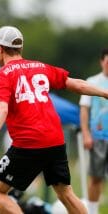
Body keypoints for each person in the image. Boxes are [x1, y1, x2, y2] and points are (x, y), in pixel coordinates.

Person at [0, 25, 108, 214]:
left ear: (0, 49)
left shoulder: (2, 76)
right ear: (20, 48)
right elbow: (75, 84)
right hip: (55, 139)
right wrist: (104, 92)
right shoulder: (40, 67)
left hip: (29, 143)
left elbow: (1, 108)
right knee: (66, 194)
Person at [79, 48, 108, 214]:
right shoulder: (92, 81)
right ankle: (92, 210)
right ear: (102, 61)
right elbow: (84, 109)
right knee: (96, 177)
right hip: (98, 137)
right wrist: (86, 134)